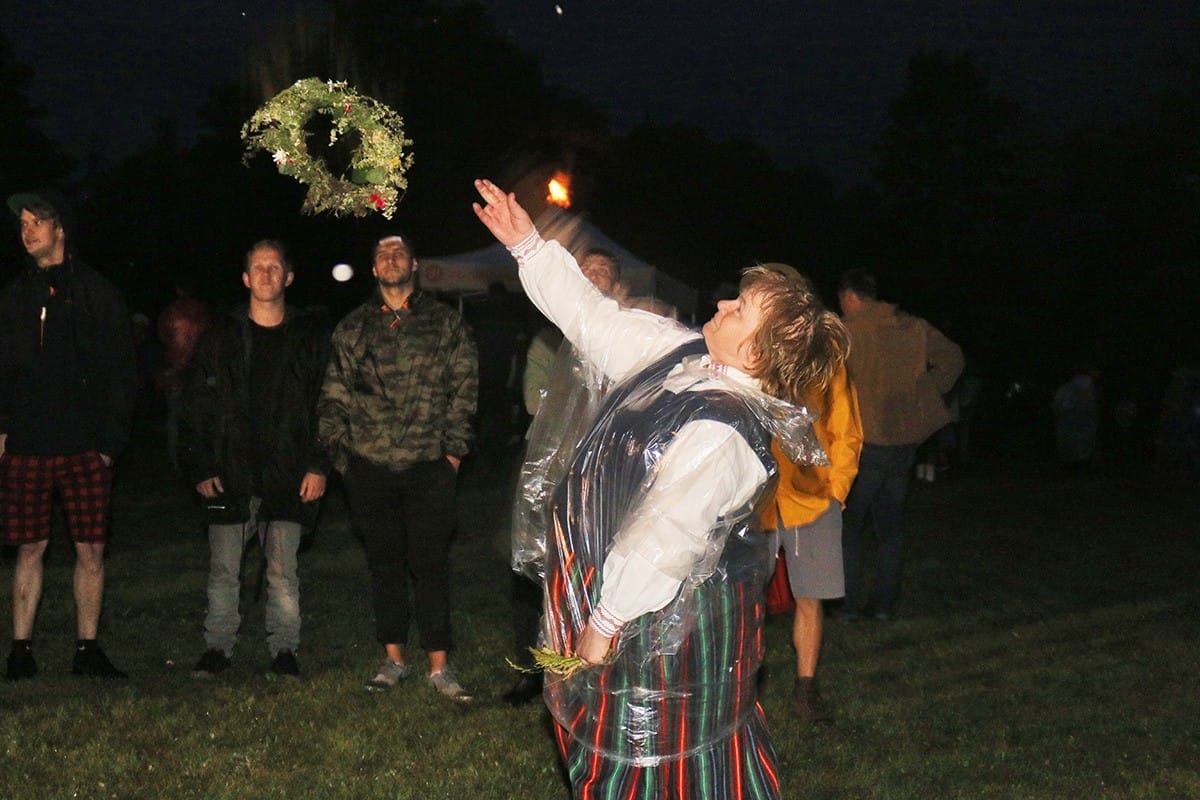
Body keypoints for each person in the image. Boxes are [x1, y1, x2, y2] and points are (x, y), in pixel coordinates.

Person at [474, 179, 847, 799]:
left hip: (657, 624)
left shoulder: (724, 429)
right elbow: (596, 320)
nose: (724, 305)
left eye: (740, 311)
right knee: (619, 748)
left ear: (760, 352)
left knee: (656, 759)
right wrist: (530, 248)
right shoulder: (683, 357)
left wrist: (603, 624)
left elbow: (661, 538)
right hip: (611, 596)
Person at [318, 232, 478, 700]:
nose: (391, 260)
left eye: (399, 253)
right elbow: (333, 396)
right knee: (384, 564)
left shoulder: (445, 323)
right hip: (369, 467)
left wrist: (452, 454)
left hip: (430, 464)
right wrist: (343, 458)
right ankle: (393, 659)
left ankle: (439, 665)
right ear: (373, 268)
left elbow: (464, 388)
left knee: (430, 564)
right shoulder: (352, 328)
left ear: (414, 264)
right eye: (382, 254)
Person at [0, 188, 137, 680]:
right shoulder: (15, 296)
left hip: (84, 445)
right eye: (22, 224)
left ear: (61, 229)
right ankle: (20, 650)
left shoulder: (97, 292)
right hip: (28, 445)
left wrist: (110, 442)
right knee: (29, 546)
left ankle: (87, 649)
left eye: (38, 221)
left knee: (90, 548)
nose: (27, 230)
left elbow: (122, 371)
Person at [181, 240, 330, 679]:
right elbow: (195, 405)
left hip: (288, 472)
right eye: (258, 268)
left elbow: (329, 403)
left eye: (275, 267)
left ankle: (284, 649)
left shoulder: (309, 338)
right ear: (245, 278)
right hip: (230, 471)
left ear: (289, 276)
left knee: (283, 571)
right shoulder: (220, 337)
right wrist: (201, 466)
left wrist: (319, 464)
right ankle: (217, 649)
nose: (266, 274)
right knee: (224, 570)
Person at [502, 248, 627, 707]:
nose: (593, 279)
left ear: (615, 287)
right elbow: (541, 410)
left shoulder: (627, 339)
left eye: (603, 272)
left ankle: (595, 667)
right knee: (534, 574)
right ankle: (532, 669)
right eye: (586, 272)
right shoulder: (548, 341)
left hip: (610, 483)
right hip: (552, 476)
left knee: (601, 577)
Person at [759, 266, 862, 724]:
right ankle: (741, 690)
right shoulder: (752, 355)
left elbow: (847, 430)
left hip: (811, 498)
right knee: (742, 597)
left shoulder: (829, 361)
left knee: (810, 597)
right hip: (753, 499)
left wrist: (836, 491)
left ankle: (805, 691)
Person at [836, 268, 963, 621]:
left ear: (849, 296)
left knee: (849, 527)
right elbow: (953, 359)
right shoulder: (914, 327)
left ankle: (846, 606)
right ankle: (884, 605)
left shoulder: (848, 332)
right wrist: (923, 392)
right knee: (889, 526)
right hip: (903, 442)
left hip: (863, 442)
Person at [157, 278, 211, 471]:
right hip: (199, 372)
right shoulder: (204, 313)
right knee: (198, 419)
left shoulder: (170, 313)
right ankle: (196, 464)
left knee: (174, 418)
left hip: (176, 371)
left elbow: (162, 337)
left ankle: (175, 463)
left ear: (179, 290)